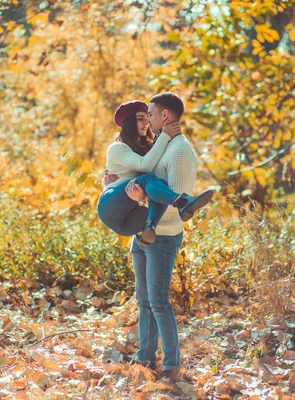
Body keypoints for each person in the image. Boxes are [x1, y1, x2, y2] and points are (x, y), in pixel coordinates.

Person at [104, 92, 205, 381]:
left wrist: (143, 199)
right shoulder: (156, 146)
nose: (147, 120)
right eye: (142, 116)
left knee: (158, 301)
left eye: (150, 113)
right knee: (144, 300)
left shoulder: (180, 151)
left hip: (163, 236)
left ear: (165, 116)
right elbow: (133, 170)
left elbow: (172, 206)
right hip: (144, 234)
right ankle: (145, 358)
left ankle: (172, 366)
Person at [97, 100, 213, 247]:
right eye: (140, 118)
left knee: (160, 186)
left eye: (148, 117)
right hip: (110, 207)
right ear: (129, 123)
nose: (146, 122)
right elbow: (144, 166)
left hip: (131, 221)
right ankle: (183, 202)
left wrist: (163, 137)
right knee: (148, 179)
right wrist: (165, 135)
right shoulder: (116, 148)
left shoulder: (147, 148)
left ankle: (149, 228)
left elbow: (150, 164)